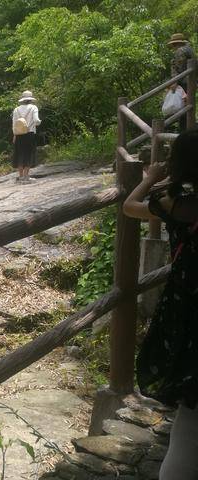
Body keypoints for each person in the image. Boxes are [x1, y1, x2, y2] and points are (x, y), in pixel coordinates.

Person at [123, 128, 198, 480]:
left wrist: (149, 177)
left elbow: (130, 207)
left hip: (190, 305)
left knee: (191, 410)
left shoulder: (177, 200)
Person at [168, 33, 196, 131]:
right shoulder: (190, 49)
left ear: (176, 44)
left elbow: (180, 68)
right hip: (191, 82)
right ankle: (188, 129)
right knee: (188, 107)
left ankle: (184, 131)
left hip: (184, 82)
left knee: (183, 108)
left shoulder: (180, 51)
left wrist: (174, 81)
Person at [12, 90, 41, 183]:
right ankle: (26, 176)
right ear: (31, 99)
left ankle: (20, 176)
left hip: (19, 134)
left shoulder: (16, 109)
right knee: (29, 153)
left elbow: (14, 124)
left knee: (19, 154)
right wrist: (39, 122)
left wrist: (14, 135)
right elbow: (36, 121)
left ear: (23, 99)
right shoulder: (33, 108)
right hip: (30, 134)